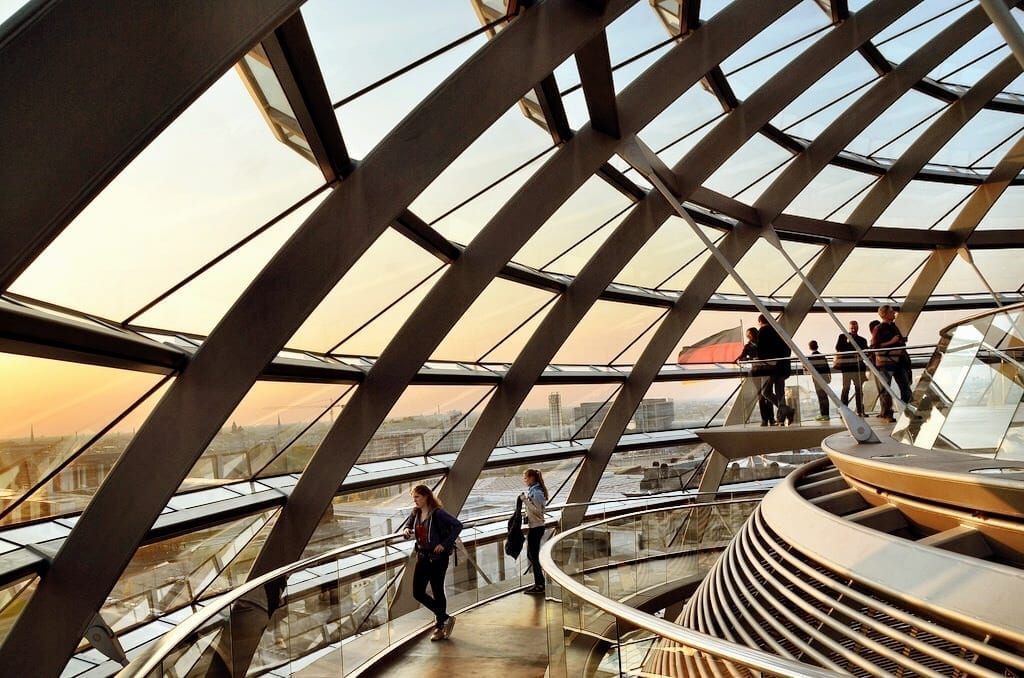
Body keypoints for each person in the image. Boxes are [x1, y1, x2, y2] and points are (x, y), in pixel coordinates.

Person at [402, 484, 463, 640]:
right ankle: (444, 617)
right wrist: (407, 529)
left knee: (437, 590)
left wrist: (444, 544)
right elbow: (408, 524)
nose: (414, 500)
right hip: (422, 556)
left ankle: (440, 627)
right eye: (413, 497)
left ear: (426, 496)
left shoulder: (437, 514)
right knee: (418, 592)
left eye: (417, 497)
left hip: (438, 558)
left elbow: (457, 525)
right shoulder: (416, 512)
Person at [870, 305, 912, 423]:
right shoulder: (878, 329)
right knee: (886, 389)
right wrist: (891, 342)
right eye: (892, 312)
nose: (894, 314)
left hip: (898, 362)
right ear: (886, 314)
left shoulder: (893, 327)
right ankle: (887, 414)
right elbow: (874, 347)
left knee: (905, 387)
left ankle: (908, 411)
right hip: (886, 363)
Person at [755, 314, 791, 426]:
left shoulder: (763, 331)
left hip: (771, 368)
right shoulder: (779, 330)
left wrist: (759, 359)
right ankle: (781, 417)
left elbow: (760, 351)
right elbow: (788, 348)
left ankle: (787, 410)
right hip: (783, 367)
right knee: (780, 392)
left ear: (760, 321)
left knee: (766, 392)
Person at [521, 468, 549, 594]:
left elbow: (538, 511)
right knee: (531, 555)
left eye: (526, 478)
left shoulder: (536, 492)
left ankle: (540, 584)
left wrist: (525, 501)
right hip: (534, 526)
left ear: (532, 478)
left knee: (533, 556)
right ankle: (540, 582)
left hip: (536, 527)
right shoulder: (533, 491)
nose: (525, 480)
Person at [835, 321, 868, 416]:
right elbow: (838, 348)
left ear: (857, 328)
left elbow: (865, 350)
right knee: (846, 388)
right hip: (847, 367)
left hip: (857, 367)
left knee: (859, 389)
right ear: (849, 328)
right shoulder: (843, 337)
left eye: (855, 328)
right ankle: (844, 411)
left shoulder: (862, 340)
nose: (853, 329)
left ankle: (860, 411)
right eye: (852, 328)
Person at [808, 340, 830, 421]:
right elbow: (827, 367)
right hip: (824, 378)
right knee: (825, 396)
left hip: (817, 379)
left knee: (821, 396)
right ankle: (826, 414)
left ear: (810, 347)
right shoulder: (822, 356)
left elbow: (809, 368)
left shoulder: (810, 357)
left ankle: (823, 414)